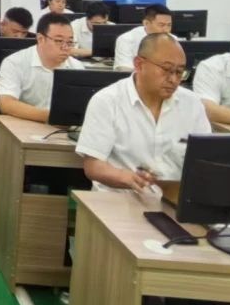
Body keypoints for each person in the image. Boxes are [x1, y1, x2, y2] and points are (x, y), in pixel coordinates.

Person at [76, 34, 210, 191]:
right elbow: (93, 166)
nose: (173, 79)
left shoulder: (192, 104)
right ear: (139, 64)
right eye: (166, 70)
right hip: (120, 197)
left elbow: (205, 158)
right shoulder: (107, 101)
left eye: (180, 72)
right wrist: (125, 177)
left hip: (173, 199)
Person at [0, 13, 86, 123]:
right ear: (40, 39)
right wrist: (53, 117)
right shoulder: (15, 62)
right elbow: (6, 104)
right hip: (25, 124)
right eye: (59, 41)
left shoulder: (77, 67)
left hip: (64, 128)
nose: (65, 47)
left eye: (70, 42)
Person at [113, 3, 173, 70]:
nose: (166, 30)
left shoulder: (173, 40)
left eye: (169, 25)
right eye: (161, 25)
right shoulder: (126, 39)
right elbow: (125, 69)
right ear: (146, 23)